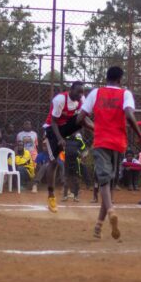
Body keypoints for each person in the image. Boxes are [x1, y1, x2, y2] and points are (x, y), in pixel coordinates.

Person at [76, 66, 141, 240]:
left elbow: (80, 118)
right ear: (120, 79)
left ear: (106, 78)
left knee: (103, 181)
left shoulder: (96, 93)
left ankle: (111, 210)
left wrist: (94, 127)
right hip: (118, 143)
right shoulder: (125, 94)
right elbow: (129, 114)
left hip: (101, 141)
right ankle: (98, 227)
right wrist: (138, 135)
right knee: (110, 183)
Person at [43, 81, 90, 213]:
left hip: (65, 128)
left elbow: (83, 120)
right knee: (53, 162)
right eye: (78, 92)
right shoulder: (60, 99)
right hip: (53, 130)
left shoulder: (81, 100)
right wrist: (59, 139)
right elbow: (53, 122)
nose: (81, 95)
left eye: (82, 92)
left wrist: (98, 130)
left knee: (81, 118)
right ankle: (51, 196)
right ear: (71, 90)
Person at [62, 132, 87, 201]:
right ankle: (65, 196)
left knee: (76, 179)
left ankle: (76, 197)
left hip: (75, 161)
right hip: (67, 161)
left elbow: (84, 150)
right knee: (66, 178)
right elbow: (60, 147)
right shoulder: (65, 139)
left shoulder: (79, 140)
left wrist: (82, 156)